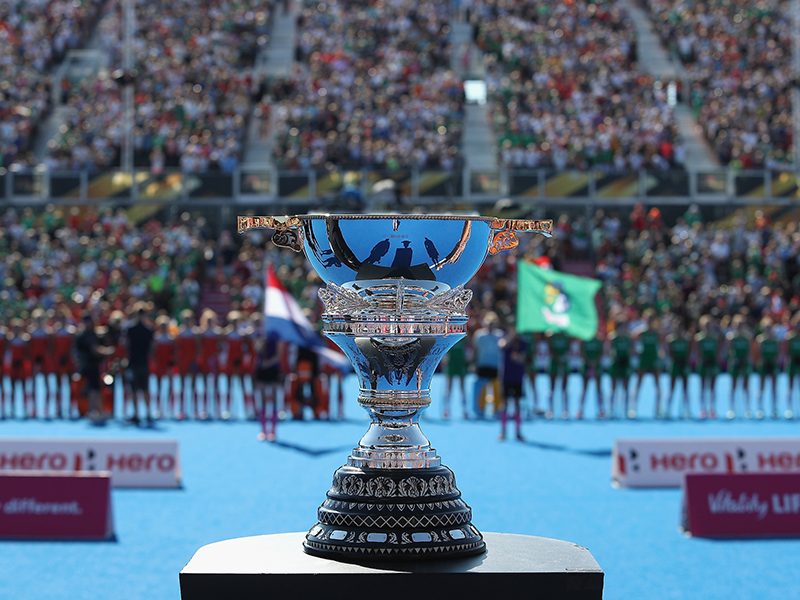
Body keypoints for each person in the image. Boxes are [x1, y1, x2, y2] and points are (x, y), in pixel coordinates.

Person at [74, 314, 113, 423]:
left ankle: (97, 410)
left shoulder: (90, 334)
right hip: (89, 365)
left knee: (95, 389)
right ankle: (93, 411)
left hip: (92, 365)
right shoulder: (86, 336)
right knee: (93, 390)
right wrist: (108, 351)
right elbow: (95, 350)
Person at [471, 313, 503, 419]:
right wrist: (474, 363)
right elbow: (475, 350)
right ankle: (479, 410)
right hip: (482, 365)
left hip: (495, 365)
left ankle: (497, 410)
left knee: (496, 389)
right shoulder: (479, 335)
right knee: (481, 389)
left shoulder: (499, 335)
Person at [126, 306, 155, 425]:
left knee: (143, 389)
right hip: (136, 363)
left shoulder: (142, 330)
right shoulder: (137, 329)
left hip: (141, 363)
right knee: (136, 390)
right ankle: (138, 413)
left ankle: (145, 413)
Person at [254, 330, 282, 441]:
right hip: (261, 371)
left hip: (273, 370)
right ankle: (263, 430)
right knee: (262, 401)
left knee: (274, 400)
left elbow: (279, 354)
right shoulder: (259, 334)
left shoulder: (276, 336)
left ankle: (273, 431)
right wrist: (262, 341)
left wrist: (269, 363)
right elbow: (257, 349)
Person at [499, 332, 527, 440]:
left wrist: (518, 357)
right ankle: (503, 431)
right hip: (506, 377)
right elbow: (501, 346)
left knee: (517, 404)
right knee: (504, 404)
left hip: (517, 378)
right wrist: (510, 340)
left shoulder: (523, 343)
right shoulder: (505, 341)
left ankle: (518, 431)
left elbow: (523, 359)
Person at [634, 315, 663, 418]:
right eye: (648, 320)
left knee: (657, 384)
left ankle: (658, 408)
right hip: (644, 359)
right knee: (638, 383)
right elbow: (633, 342)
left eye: (651, 320)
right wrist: (637, 353)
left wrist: (661, 355)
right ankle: (633, 408)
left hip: (654, 359)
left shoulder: (657, 334)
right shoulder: (641, 333)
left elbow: (661, 346)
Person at [174, 310, 200, 420]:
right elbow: (177, 348)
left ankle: (195, 410)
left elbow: (198, 348)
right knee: (182, 386)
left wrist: (196, 360)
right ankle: (181, 410)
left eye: (188, 319)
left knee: (193, 386)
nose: (187, 321)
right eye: (185, 319)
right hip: (182, 361)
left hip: (192, 361)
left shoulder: (195, 333)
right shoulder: (180, 332)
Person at [694, 316, 720, 419]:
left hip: (712, 363)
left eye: (709, 325)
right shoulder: (699, 338)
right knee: (703, 387)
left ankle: (712, 408)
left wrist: (716, 361)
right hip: (703, 364)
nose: (708, 327)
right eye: (706, 325)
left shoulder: (715, 338)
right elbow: (697, 352)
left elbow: (717, 351)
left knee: (713, 388)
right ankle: (702, 409)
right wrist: (700, 361)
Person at [727, 318, 752, 419]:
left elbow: (750, 351)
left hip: (744, 363)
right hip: (735, 363)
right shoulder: (731, 337)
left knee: (746, 387)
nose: (739, 327)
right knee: (733, 386)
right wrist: (734, 359)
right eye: (738, 325)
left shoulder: (747, 337)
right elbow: (729, 351)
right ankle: (731, 409)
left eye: (741, 325)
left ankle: (747, 409)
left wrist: (746, 360)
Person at [197, 310, 221, 419]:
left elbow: (220, 347)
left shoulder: (218, 332)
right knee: (205, 386)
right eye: (208, 320)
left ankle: (217, 409)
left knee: (216, 386)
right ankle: (205, 409)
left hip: (214, 360)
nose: (210, 322)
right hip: (205, 360)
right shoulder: (201, 333)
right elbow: (199, 347)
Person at [152, 316, 176, 419]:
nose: (163, 328)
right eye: (162, 326)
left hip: (168, 364)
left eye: (165, 326)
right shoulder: (156, 338)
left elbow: (174, 352)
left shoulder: (171, 338)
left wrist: (171, 363)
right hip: (159, 364)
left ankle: (170, 408)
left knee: (170, 386)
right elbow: (153, 352)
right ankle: (158, 408)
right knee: (159, 387)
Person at [755, 321, 780, 419]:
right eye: (766, 328)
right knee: (761, 387)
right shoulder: (761, 340)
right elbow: (757, 354)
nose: (768, 330)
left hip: (773, 365)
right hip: (764, 365)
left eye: (770, 328)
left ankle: (774, 409)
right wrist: (760, 363)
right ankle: (760, 409)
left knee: (774, 388)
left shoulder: (775, 340)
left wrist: (775, 362)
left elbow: (778, 354)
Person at [667, 322, 692, 419]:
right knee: (672, 388)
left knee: (685, 388)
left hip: (683, 365)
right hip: (675, 365)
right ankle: (668, 409)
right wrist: (675, 360)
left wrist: (685, 361)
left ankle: (687, 410)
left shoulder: (686, 340)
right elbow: (669, 353)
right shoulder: (671, 340)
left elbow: (689, 352)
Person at [8, 320, 31, 419]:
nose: (16, 330)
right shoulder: (9, 339)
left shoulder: (25, 339)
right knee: (12, 388)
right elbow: (7, 353)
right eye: (15, 328)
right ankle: (12, 409)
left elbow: (27, 353)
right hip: (13, 365)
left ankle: (25, 409)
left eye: (18, 328)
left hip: (21, 365)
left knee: (23, 388)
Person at [609, 324, 633, 418]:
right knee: (613, 388)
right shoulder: (613, 339)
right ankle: (611, 409)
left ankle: (626, 409)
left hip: (625, 364)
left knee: (626, 388)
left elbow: (631, 351)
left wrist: (626, 358)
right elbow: (610, 351)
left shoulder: (628, 339)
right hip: (616, 364)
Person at [579, 334, 604, 419]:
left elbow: (601, 353)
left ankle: (601, 410)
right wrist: (589, 362)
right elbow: (582, 352)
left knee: (599, 389)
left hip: (597, 366)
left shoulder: (599, 341)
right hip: (586, 366)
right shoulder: (584, 340)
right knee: (584, 389)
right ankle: (581, 410)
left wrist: (595, 362)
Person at [547, 330, 570, 419]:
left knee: (564, 388)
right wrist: (557, 357)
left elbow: (568, 349)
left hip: (564, 363)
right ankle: (551, 410)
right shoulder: (552, 337)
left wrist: (562, 358)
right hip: (554, 363)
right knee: (552, 388)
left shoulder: (566, 337)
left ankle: (565, 410)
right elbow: (550, 349)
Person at [444, 337, 468, 420]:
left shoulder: (464, 338)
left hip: (461, 365)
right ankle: (446, 409)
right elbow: (445, 352)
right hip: (451, 365)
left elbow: (468, 351)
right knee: (449, 388)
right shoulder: (450, 338)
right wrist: (445, 361)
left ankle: (465, 410)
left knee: (462, 389)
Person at [786, 315, 800, 419]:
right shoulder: (790, 337)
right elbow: (785, 351)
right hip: (792, 363)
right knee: (790, 386)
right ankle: (789, 408)